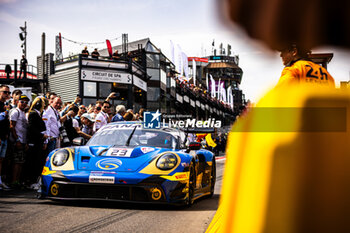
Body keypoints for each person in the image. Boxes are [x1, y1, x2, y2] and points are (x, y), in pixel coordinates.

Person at [23, 97, 48, 188]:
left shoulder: (37, 114)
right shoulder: (33, 114)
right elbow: (31, 128)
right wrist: (42, 135)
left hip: (38, 141)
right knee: (32, 161)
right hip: (34, 141)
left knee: (36, 161)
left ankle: (32, 181)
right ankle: (29, 181)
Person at [9, 95, 29, 187]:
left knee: (21, 162)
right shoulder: (15, 112)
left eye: (26, 102)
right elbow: (12, 126)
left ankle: (17, 180)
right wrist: (17, 139)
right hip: (17, 140)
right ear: (17, 102)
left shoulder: (23, 112)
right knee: (17, 162)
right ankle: (14, 181)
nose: (24, 104)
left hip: (23, 140)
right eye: (22, 101)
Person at [0, 85, 11, 189]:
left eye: (8, 93)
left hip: (4, 136)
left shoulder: (5, 105)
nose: (7, 94)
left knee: (1, 160)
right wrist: (4, 113)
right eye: (5, 92)